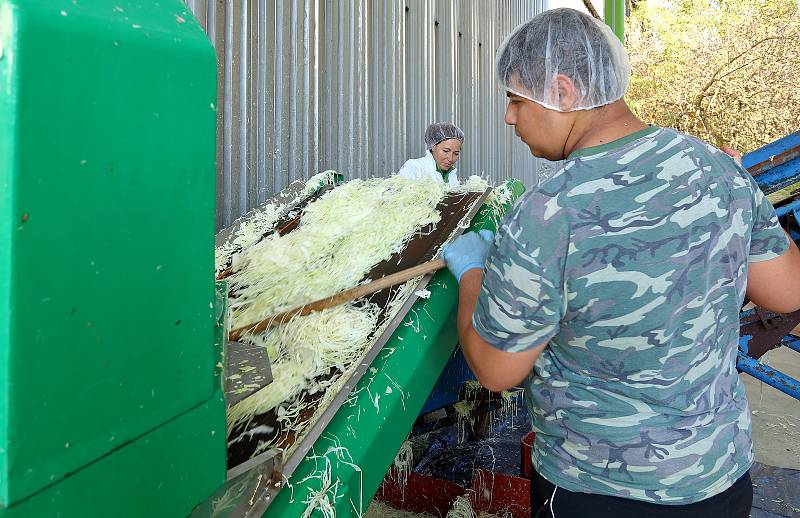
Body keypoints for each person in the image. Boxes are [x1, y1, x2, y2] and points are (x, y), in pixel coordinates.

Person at [442, 8, 800, 518]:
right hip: (718, 481)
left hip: (597, 489)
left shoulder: (550, 211)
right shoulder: (718, 171)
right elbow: (788, 292)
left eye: (515, 99)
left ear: (562, 93)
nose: (509, 118)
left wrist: (475, 274)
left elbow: (497, 368)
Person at [398, 122, 464, 187]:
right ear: (433, 146)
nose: (450, 159)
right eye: (445, 151)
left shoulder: (451, 173)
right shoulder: (414, 167)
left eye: (456, 153)